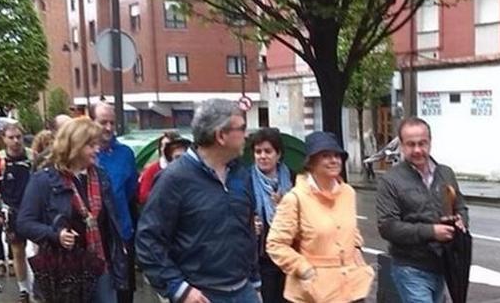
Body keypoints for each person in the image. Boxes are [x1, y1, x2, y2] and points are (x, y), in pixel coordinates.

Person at [137, 99, 260, 303]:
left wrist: (255, 284)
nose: (246, 135)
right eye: (242, 128)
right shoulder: (175, 179)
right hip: (201, 295)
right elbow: (148, 241)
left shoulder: (240, 174)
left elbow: (247, 230)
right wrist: (179, 288)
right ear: (221, 135)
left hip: (243, 291)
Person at [17, 117, 129, 302]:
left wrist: (119, 247)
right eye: (91, 145)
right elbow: (24, 223)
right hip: (64, 273)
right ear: (75, 146)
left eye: (97, 144)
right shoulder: (44, 180)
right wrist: (55, 234)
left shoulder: (101, 177)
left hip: (100, 266)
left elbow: (109, 221)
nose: (97, 150)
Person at [267, 131, 374, 303]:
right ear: (311, 162)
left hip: (351, 289)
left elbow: (352, 231)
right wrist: (304, 269)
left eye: (337, 155)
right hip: (313, 293)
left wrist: (357, 251)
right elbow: (275, 244)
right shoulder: (295, 198)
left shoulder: (347, 192)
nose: (334, 160)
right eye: (326, 156)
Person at [375, 117, 469, 303]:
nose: (417, 150)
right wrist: (432, 232)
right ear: (401, 146)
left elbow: (460, 206)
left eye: (422, 143)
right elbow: (387, 226)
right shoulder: (391, 180)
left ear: (430, 142)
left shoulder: (445, 173)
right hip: (410, 267)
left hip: (443, 265)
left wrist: (461, 222)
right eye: (411, 144)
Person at [91, 102, 138, 303]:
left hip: (122, 232)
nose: (109, 128)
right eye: (103, 122)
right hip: (94, 235)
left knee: (124, 292)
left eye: (112, 122)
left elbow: (130, 192)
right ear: (92, 122)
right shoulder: (86, 154)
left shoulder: (126, 153)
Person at [0, 123, 34, 301]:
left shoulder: (31, 156)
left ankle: (43, 282)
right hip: (12, 211)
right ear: (4, 139)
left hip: (33, 210)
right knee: (18, 250)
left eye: (18, 137)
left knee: (42, 247)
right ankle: (24, 289)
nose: (15, 141)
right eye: (11, 138)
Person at [249, 128, 292, 303]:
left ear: (278, 154)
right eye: (258, 152)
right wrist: (250, 224)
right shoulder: (246, 181)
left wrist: (284, 207)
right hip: (261, 260)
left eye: (268, 151)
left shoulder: (292, 180)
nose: (262, 156)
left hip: (289, 257)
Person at [137, 131, 182, 205]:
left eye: (169, 145)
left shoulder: (186, 168)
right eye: (163, 146)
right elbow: (143, 196)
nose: (165, 149)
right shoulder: (152, 170)